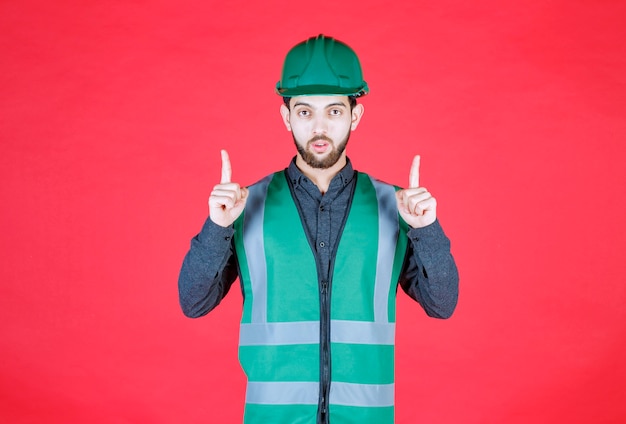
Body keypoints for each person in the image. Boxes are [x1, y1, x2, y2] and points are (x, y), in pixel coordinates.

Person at [178, 34, 459, 424]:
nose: (320, 127)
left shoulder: (397, 208)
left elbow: (442, 304)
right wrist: (216, 227)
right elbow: (193, 303)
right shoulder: (243, 206)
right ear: (286, 116)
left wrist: (427, 230)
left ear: (355, 116)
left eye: (335, 111)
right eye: (306, 112)